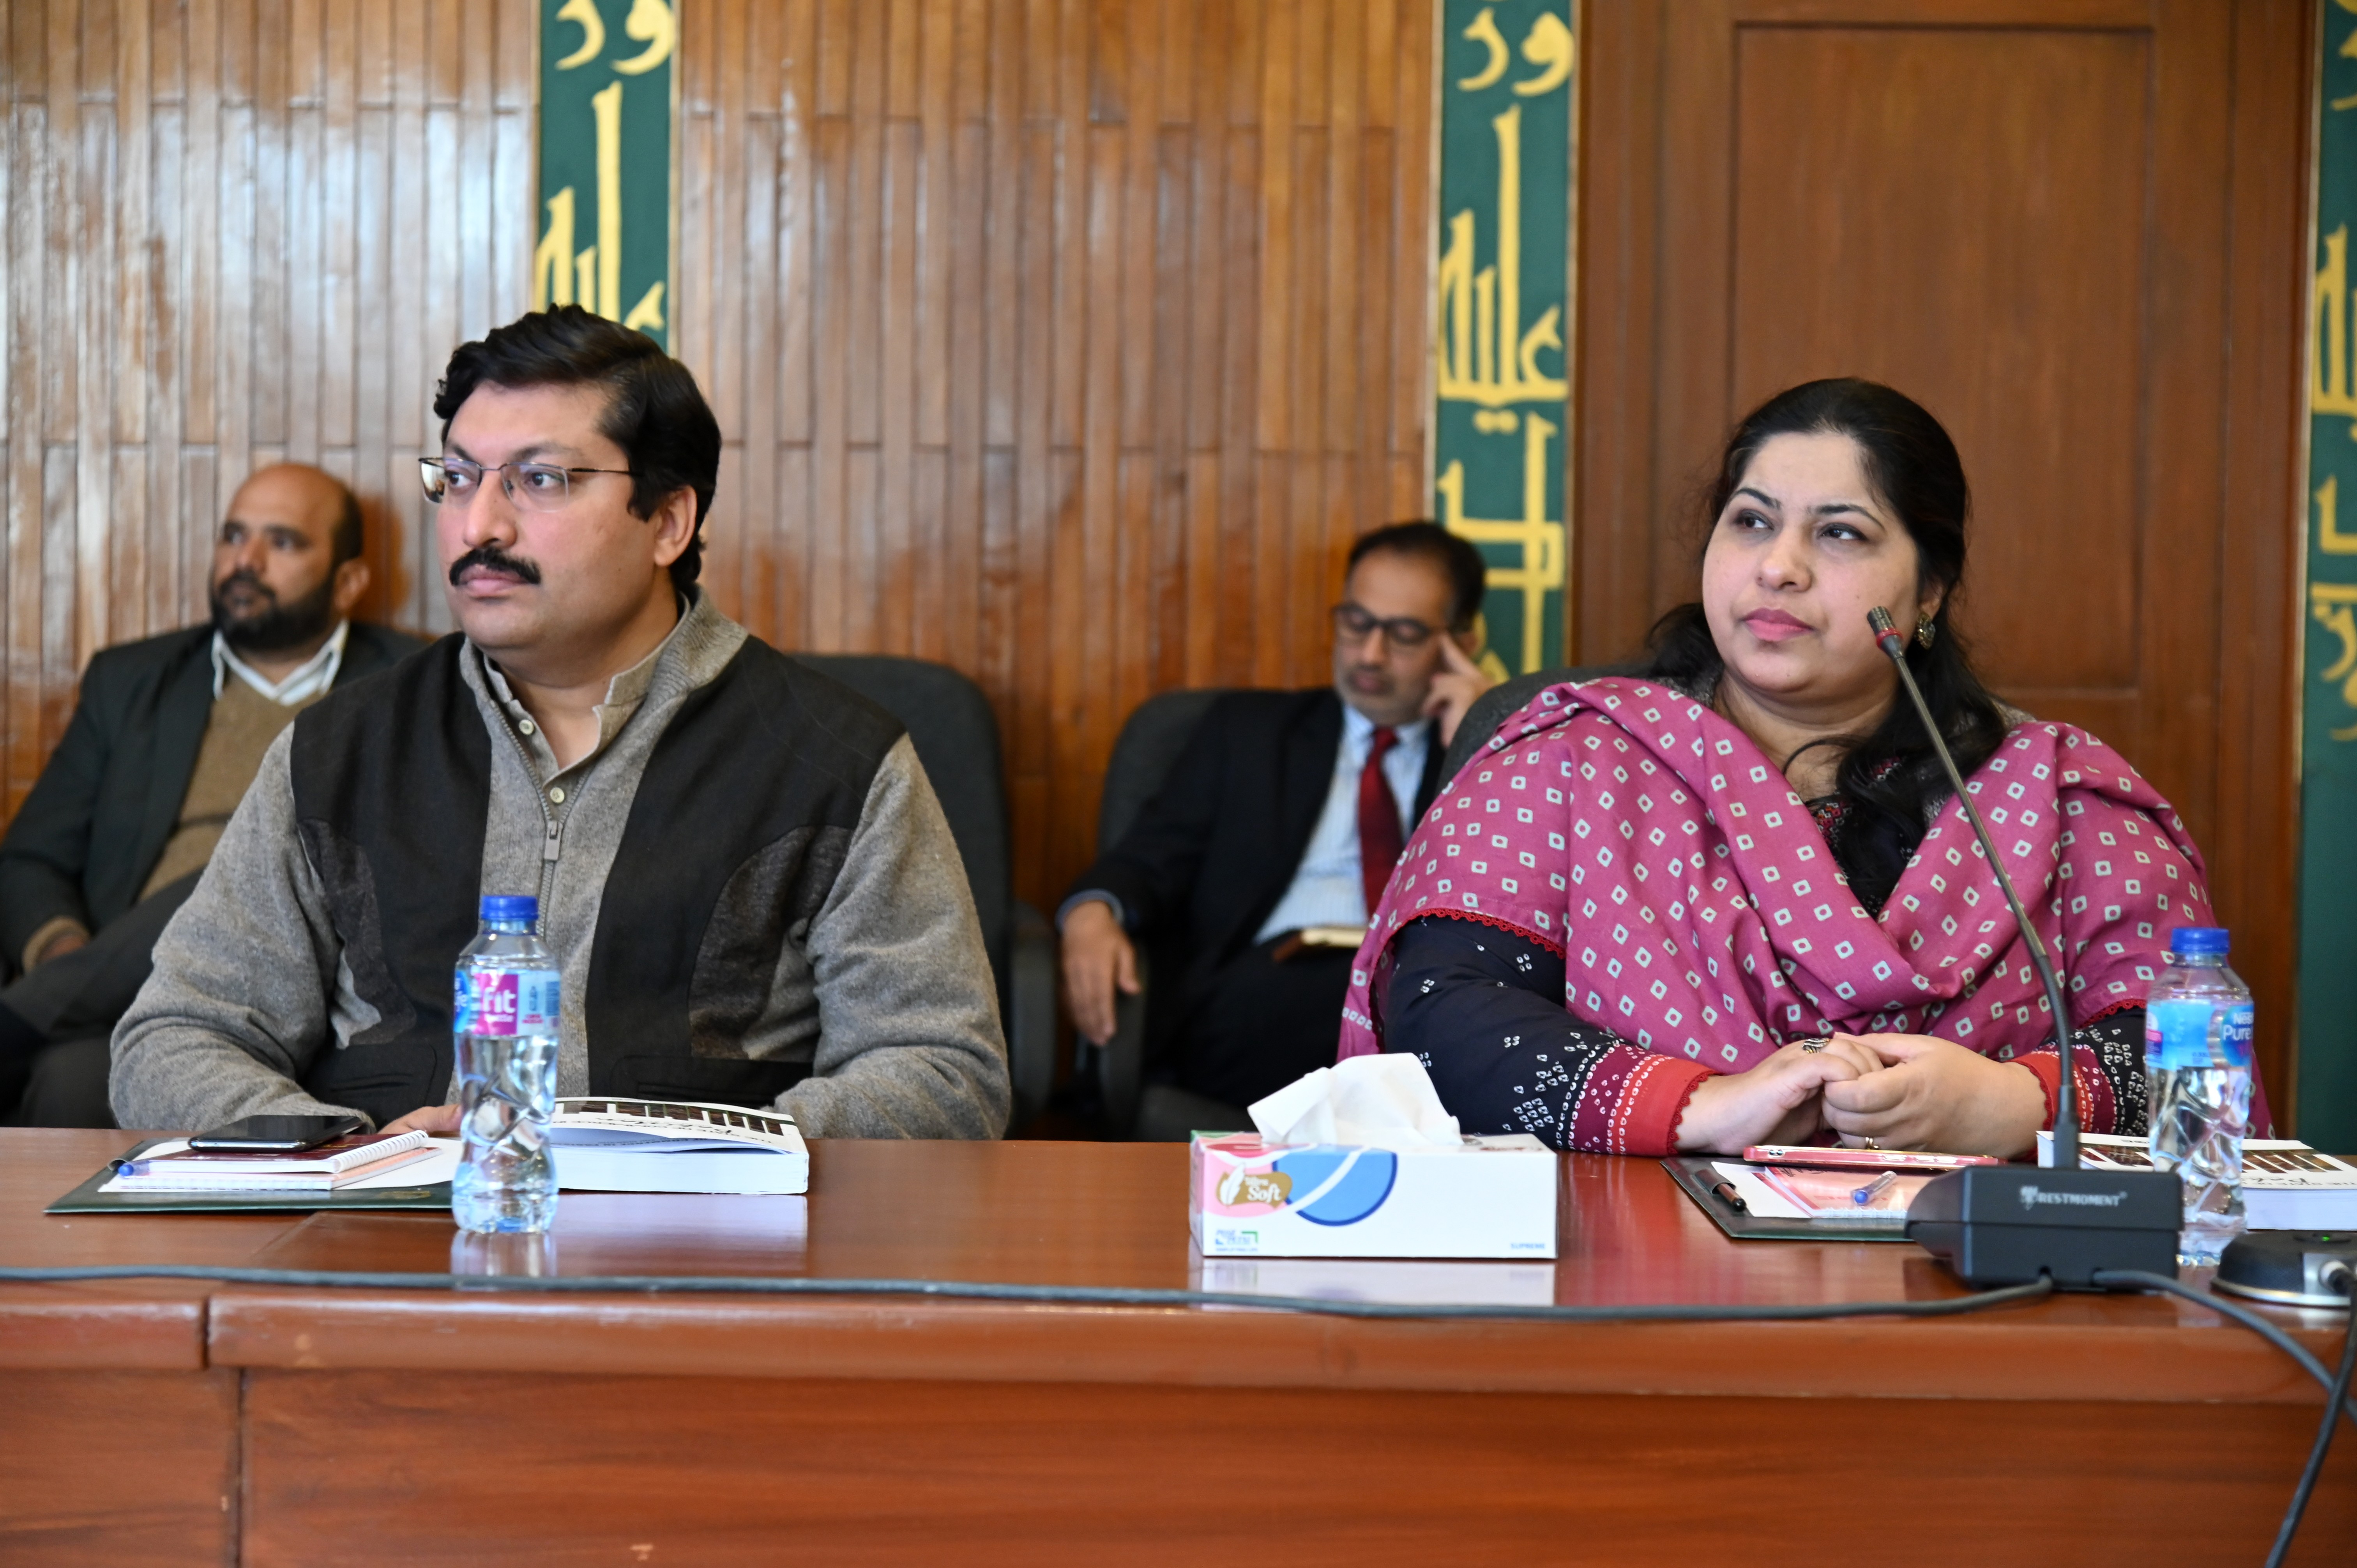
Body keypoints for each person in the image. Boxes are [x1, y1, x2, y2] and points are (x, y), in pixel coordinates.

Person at [113, 307, 1010, 1138]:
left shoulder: (835, 761)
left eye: (541, 479)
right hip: (384, 1261)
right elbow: (175, 1036)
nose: (480, 523)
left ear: (667, 519)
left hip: (704, 1269)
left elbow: (943, 1071)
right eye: (459, 477)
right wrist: (353, 1157)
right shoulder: (340, 750)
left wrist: (667, 1153)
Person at [1340, 378, 2268, 1158]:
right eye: (1752, 521)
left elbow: (2194, 1059)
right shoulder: (1577, 758)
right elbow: (1444, 1010)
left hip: (1981, 1281)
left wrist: (2016, 1100)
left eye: (1841, 534)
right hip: (1639, 1267)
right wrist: (1704, 1104)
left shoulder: (2056, 800)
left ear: (1931, 587)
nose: (1778, 566)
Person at [0, 464, 422, 1126]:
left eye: (281, 542)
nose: (244, 561)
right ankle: (52, 1005)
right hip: (127, 997)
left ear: (350, 582)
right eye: (233, 536)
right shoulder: (131, 682)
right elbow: (31, 858)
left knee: (243, 859)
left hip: (302, 987)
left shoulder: (411, 690)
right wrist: (69, 959)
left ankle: (16, 1021)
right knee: (72, 1080)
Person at [1062, 522, 1498, 1115]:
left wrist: (1479, 741)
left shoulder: (1480, 760)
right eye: (1357, 623)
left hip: (1416, 995)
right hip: (1266, 999)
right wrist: (1093, 911)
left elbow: (1497, 897)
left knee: (1443, 1013)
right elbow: (1148, 859)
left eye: (1403, 634)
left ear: (1460, 645)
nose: (1370, 654)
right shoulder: (1247, 734)